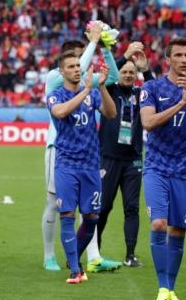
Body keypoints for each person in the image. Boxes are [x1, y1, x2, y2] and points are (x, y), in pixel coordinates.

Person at [140, 37, 186, 300]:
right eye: (179, 55)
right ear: (167, 60)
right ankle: (161, 288)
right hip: (157, 168)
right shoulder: (152, 87)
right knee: (159, 223)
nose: (184, 59)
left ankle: (171, 291)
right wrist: (181, 104)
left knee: (179, 231)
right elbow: (148, 123)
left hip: (184, 170)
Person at [42, 22, 120, 272]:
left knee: (90, 214)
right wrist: (95, 42)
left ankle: (88, 256)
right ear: (62, 68)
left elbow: (112, 87)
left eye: (80, 61)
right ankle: (50, 256)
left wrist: (105, 49)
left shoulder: (87, 85)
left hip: (88, 160)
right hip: (60, 150)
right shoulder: (54, 80)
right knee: (57, 205)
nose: (79, 66)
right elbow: (63, 108)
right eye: (74, 62)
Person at [97, 42, 153, 268]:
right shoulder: (110, 89)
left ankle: (130, 255)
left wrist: (145, 69)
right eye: (125, 72)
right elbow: (107, 74)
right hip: (108, 157)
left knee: (132, 208)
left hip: (133, 160)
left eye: (132, 72)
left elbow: (156, 88)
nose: (128, 75)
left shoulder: (142, 93)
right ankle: (95, 251)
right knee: (103, 206)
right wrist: (125, 57)